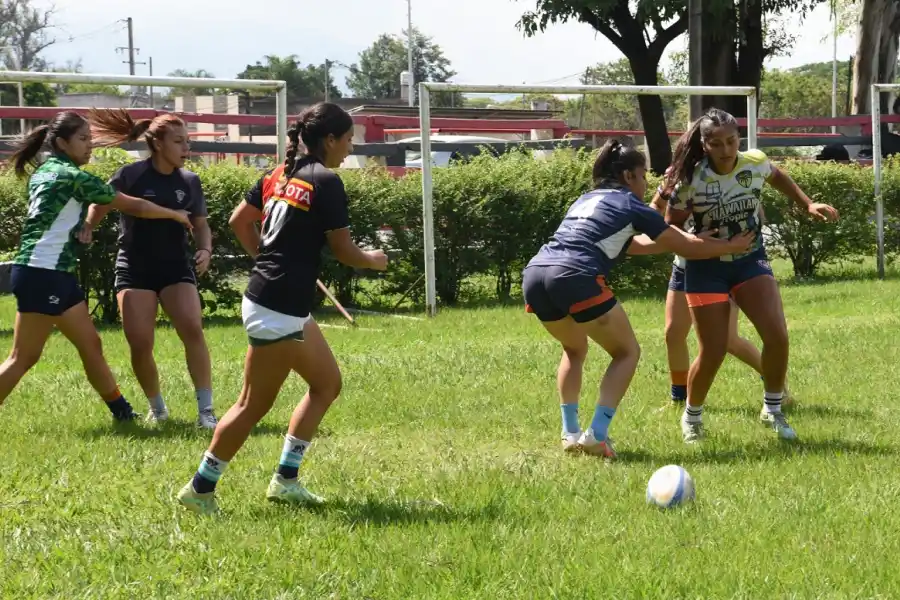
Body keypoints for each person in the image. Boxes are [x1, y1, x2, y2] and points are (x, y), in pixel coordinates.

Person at [176, 102, 388, 515]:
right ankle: (200, 488)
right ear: (329, 140)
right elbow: (344, 251)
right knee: (252, 405)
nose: (349, 148)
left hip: (275, 300)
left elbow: (240, 221)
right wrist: (372, 259)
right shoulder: (326, 181)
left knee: (326, 384)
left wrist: (265, 258)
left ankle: (285, 481)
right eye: (347, 140)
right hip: (277, 306)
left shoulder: (278, 173)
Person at [521, 139, 754, 459]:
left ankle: (570, 433)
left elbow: (633, 246)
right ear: (629, 176)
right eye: (644, 175)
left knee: (574, 350)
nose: (646, 183)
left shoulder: (587, 198)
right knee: (626, 352)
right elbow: (682, 246)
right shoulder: (631, 205)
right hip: (575, 276)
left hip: (536, 274)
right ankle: (596, 435)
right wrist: (729, 246)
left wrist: (692, 240)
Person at [0, 110, 193, 421]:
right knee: (23, 358)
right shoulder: (73, 176)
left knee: (91, 344)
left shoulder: (45, 170)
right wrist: (174, 214)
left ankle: (123, 414)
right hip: (42, 273)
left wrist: (80, 226)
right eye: (83, 139)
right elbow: (135, 206)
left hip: (54, 273)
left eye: (90, 138)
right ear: (62, 143)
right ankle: (123, 412)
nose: (90, 145)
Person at [664, 108, 839, 444]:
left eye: (732, 141)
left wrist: (807, 204)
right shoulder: (691, 178)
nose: (727, 150)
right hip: (705, 268)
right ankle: (692, 415)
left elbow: (776, 175)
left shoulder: (754, 162)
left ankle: (772, 409)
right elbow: (670, 226)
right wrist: (704, 242)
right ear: (704, 144)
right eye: (717, 144)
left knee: (777, 336)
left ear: (739, 138)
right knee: (713, 350)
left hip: (750, 261)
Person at [80, 109, 218, 429]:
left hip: (175, 266)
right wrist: (88, 226)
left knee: (192, 329)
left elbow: (201, 225)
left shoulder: (190, 181)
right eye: (179, 141)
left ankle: (206, 411)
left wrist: (205, 248)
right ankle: (157, 408)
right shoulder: (130, 176)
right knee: (140, 342)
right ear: (157, 144)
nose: (186, 148)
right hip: (134, 267)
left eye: (188, 142)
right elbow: (100, 203)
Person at [649, 168, 792, 407]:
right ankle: (678, 398)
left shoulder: (732, 177)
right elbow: (654, 213)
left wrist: (724, 242)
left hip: (721, 267)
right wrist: (666, 194)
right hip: (684, 264)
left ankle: (775, 381)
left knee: (727, 340)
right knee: (673, 332)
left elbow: (757, 216)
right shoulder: (677, 176)